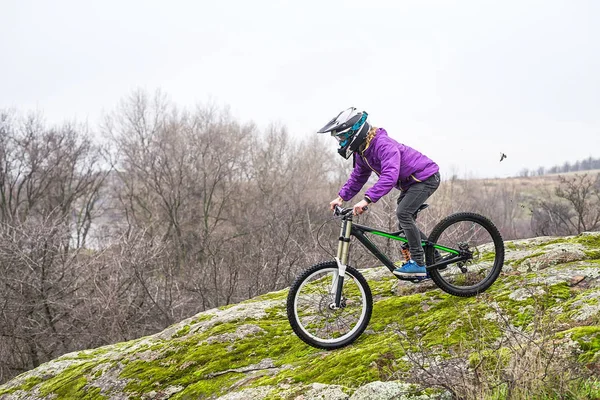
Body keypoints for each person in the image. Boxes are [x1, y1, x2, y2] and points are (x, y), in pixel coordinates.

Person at [318, 107, 440, 279]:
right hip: (410, 184)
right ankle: (436, 261)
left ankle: (419, 264)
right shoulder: (363, 151)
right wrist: (341, 197)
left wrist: (367, 200)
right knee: (404, 222)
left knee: (403, 213)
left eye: (343, 137)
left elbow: (390, 175)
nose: (340, 142)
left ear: (355, 132)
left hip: (425, 178)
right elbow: (358, 177)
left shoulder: (382, 144)